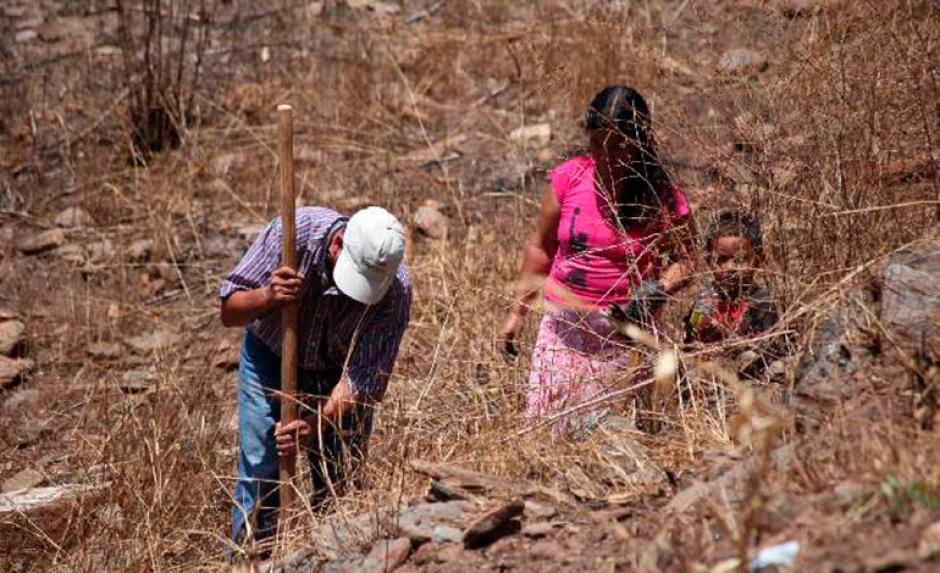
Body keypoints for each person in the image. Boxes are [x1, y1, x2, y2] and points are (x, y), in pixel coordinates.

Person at [499, 85, 695, 431]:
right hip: (563, 330)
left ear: (640, 143)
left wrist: (659, 289)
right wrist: (518, 311)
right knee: (549, 429)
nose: (610, 155)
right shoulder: (570, 178)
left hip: (623, 332)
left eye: (621, 145)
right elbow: (540, 248)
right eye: (600, 143)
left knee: (608, 433)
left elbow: (687, 259)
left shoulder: (660, 195)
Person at [219, 206, 411, 549]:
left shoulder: (395, 288)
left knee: (341, 478)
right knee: (262, 465)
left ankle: (333, 556)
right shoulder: (295, 235)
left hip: (339, 374)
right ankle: (253, 556)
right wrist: (268, 296)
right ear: (337, 245)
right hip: (270, 358)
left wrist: (315, 423)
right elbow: (229, 312)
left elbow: (363, 379)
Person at [684, 210, 778, 349]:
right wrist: (699, 329)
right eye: (721, 260)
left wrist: (726, 335)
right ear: (709, 261)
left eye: (740, 260)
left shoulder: (763, 302)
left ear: (758, 261)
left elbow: (766, 348)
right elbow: (689, 339)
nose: (730, 268)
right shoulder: (705, 297)